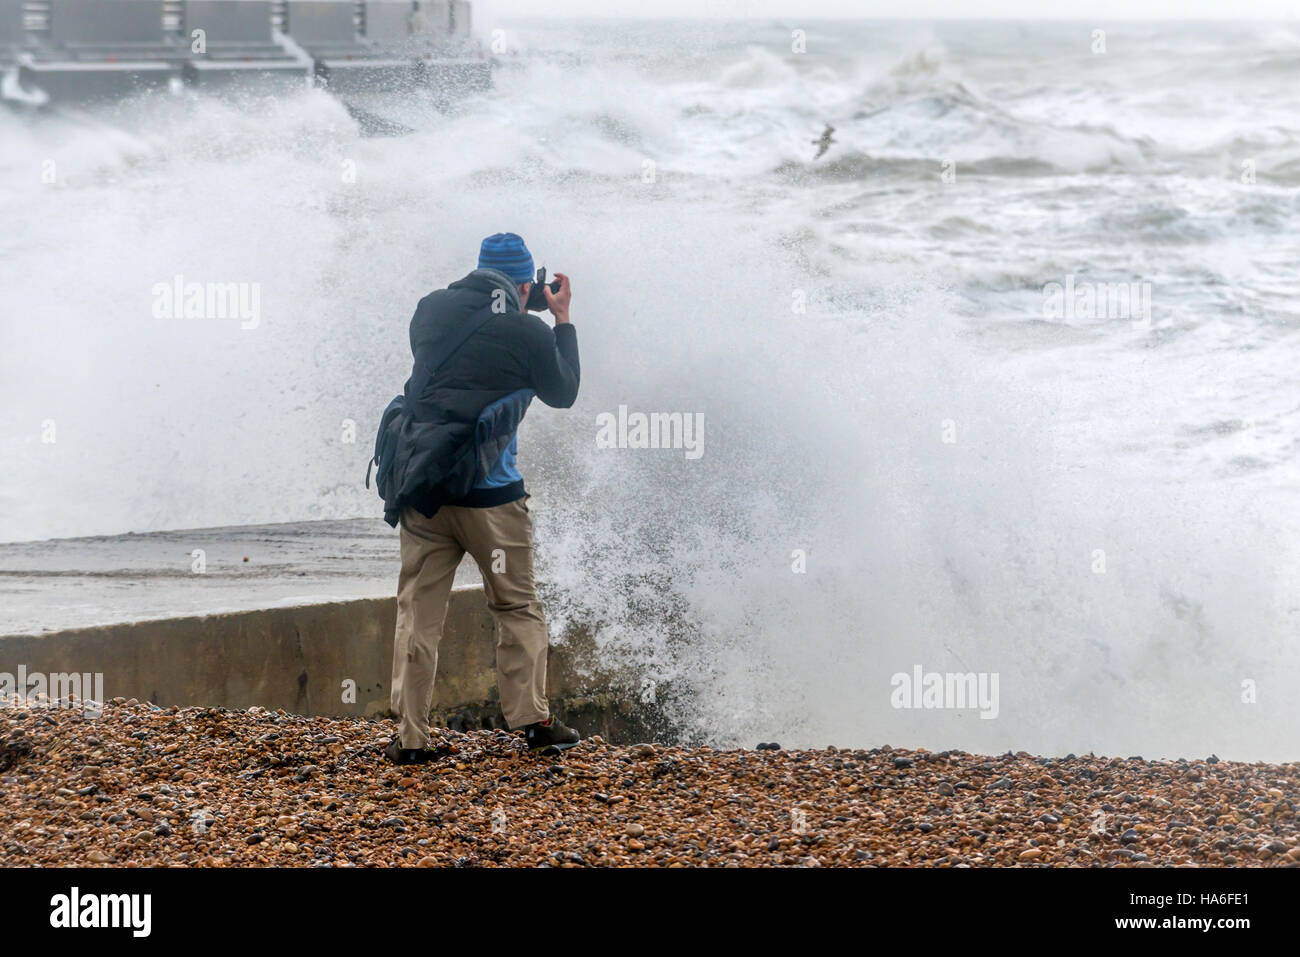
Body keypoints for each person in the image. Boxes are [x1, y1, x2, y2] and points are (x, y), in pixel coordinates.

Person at [382, 232, 582, 764]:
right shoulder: (530, 333)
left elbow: (463, 357)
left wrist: (519, 302)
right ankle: (533, 721)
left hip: (422, 487)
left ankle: (410, 737)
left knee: (417, 610)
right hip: (490, 499)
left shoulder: (430, 311)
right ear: (526, 283)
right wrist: (559, 318)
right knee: (515, 605)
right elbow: (563, 392)